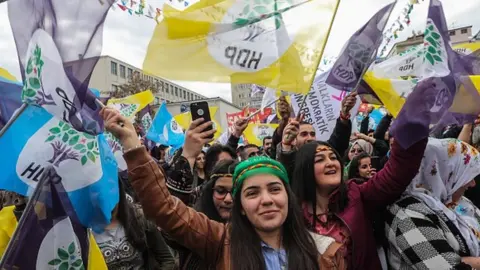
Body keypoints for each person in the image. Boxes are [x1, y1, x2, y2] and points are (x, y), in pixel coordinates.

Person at [101, 108, 345, 270]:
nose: (267, 199)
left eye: (274, 189)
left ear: (289, 198)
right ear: (240, 207)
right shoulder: (220, 241)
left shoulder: (325, 252)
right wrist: (131, 143)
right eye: (252, 193)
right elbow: (164, 208)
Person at [291, 124, 428, 269]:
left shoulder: (355, 194)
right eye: (319, 160)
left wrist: (413, 124)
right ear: (304, 169)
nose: (330, 163)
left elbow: (396, 173)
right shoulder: (293, 213)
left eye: (333, 157)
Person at [385, 138, 480, 269]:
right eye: (467, 175)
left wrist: (469, 261)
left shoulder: (456, 200)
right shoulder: (407, 215)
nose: (473, 183)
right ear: (445, 172)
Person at [93, 180, 175, 270]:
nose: (109, 204)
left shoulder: (139, 218)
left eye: (111, 194)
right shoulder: (83, 232)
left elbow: (167, 259)